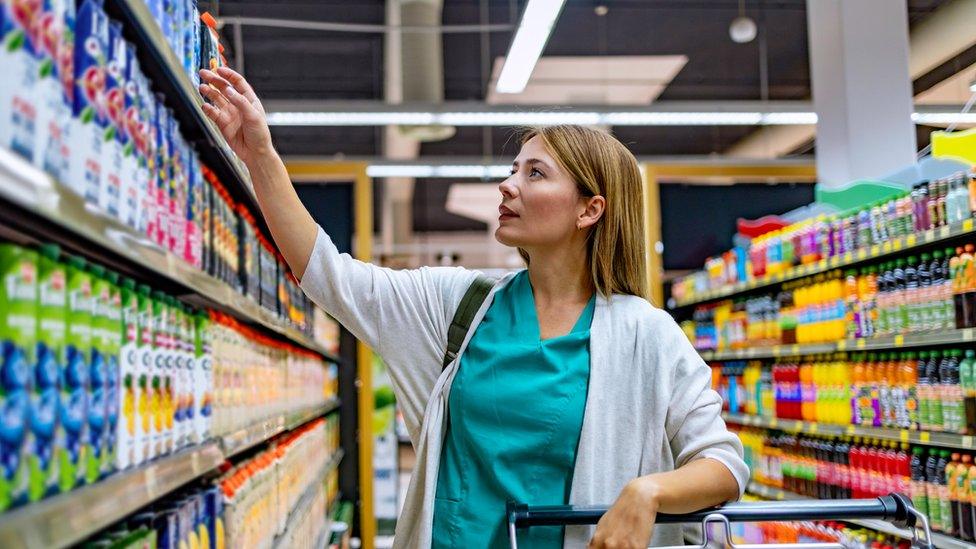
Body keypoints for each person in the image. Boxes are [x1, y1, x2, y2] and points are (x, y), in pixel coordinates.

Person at [198, 66, 749, 549]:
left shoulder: (645, 335)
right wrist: (261, 156)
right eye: (513, 169)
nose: (507, 186)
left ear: (590, 209)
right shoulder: (458, 305)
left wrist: (647, 491)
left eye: (534, 173)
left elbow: (722, 464)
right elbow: (329, 274)